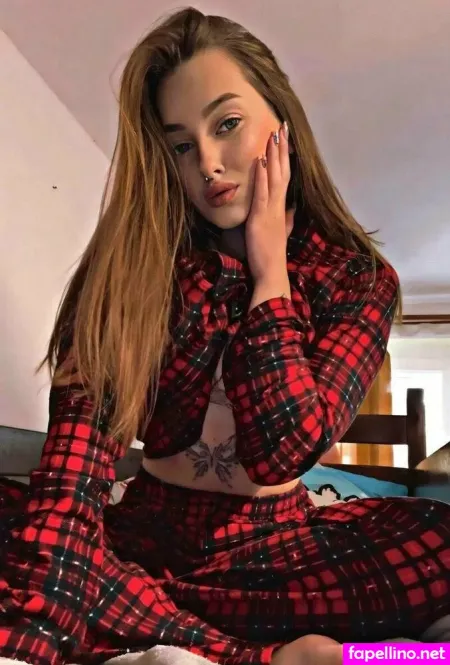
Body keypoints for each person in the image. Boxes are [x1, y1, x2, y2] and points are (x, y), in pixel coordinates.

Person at [1, 7, 449, 665]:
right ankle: (250, 653)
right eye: (181, 145)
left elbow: (283, 452)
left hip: (274, 555)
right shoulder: (135, 268)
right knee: (41, 525)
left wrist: (271, 276)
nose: (209, 163)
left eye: (227, 124)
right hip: (141, 537)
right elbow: (74, 465)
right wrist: (31, 639)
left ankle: (140, 613)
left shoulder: (355, 278)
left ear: (281, 118)